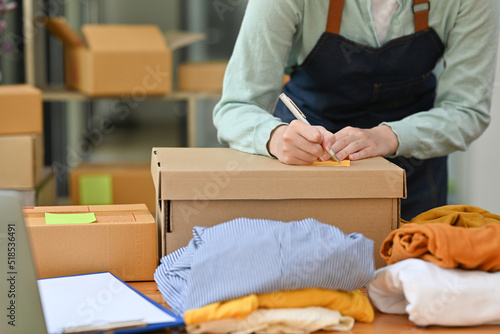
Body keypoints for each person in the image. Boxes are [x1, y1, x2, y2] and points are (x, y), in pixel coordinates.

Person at [213, 0, 500, 220]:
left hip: (412, 172)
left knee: (410, 285)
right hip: (308, 167)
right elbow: (237, 105)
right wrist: (275, 137)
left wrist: (390, 137)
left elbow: (466, 110)